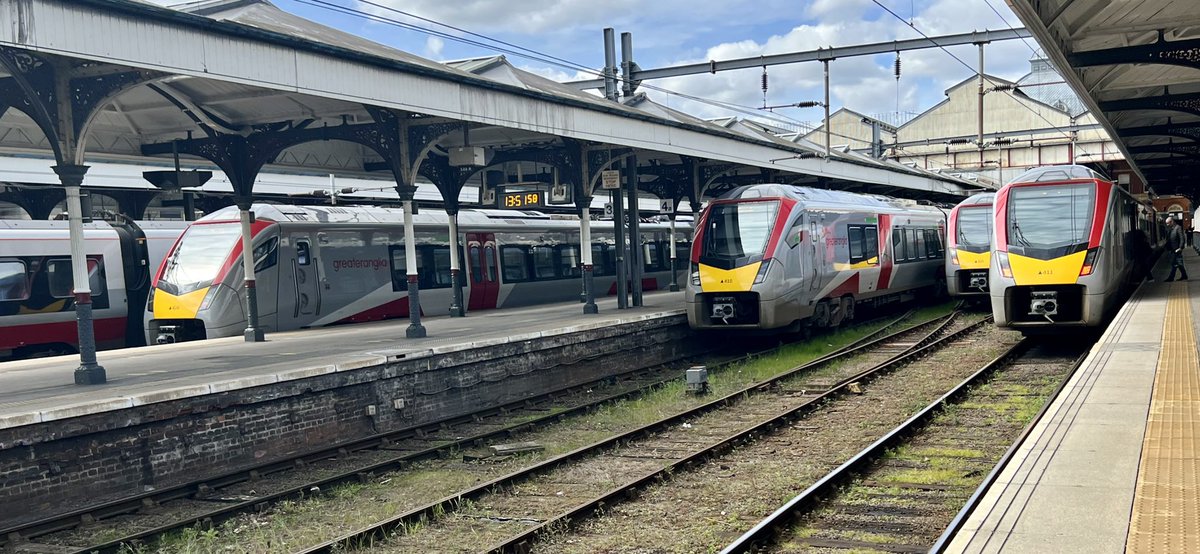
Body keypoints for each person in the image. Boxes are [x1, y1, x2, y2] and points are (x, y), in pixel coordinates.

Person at [1166, 216, 1189, 282]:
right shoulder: (1171, 229)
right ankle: (1184, 276)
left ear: (1172, 222)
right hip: (1172, 249)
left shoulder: (1178, 228)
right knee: (1178, 263)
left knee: (1174, 263)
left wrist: (1180, 247)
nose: (1167, 225)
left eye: (1168, 223)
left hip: (1176, 249)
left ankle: (1171, 278)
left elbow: (1182, 238)